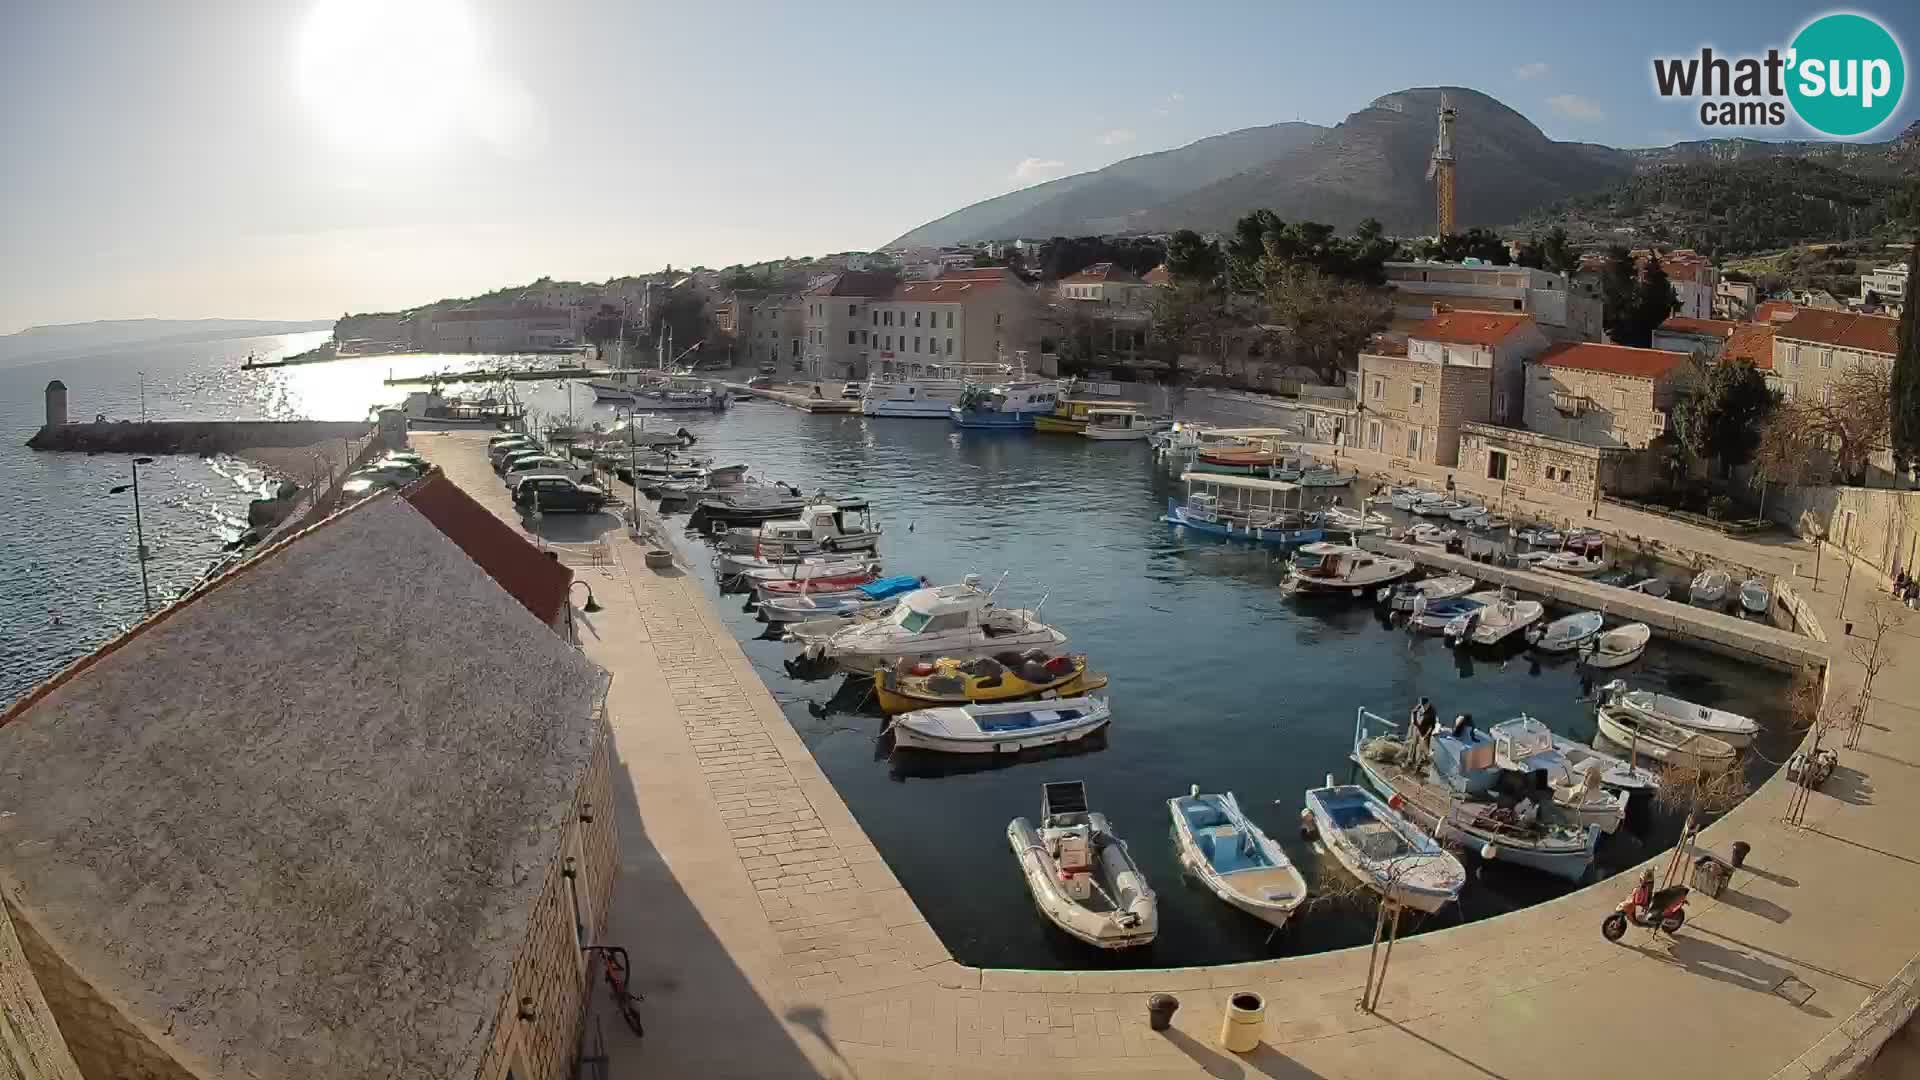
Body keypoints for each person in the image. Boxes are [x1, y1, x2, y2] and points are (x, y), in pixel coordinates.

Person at [1408, 697, 1438, 768]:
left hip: (1425, 732)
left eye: (1424, 705)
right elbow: (1413, 712)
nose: (1423, 707)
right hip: (1417, 728)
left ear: (1428, 703)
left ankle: (1424, 763)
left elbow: (1432, 727)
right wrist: (1413, 720)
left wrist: (1425, 736)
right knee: (1413, 744)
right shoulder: (1419, 707)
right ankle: (1410, 759)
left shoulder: (1432, 713)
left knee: (1424, 749)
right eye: (1422, 705)